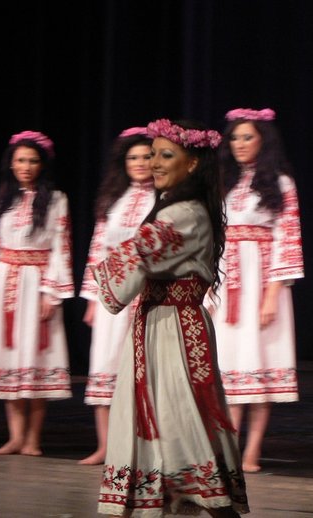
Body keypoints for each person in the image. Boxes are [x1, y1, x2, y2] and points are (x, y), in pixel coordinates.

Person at [91, 119, 248, 517]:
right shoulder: (175, 208)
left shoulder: (186, 213)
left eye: (165, 155)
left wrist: (107, 273)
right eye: (151, 155)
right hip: (156, 322)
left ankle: (205, 498)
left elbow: (137, 252)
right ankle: (169, 497)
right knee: (166, 417)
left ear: (192, 163)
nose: (154, 163)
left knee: (181, 417)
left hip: (176, 330)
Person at [209, 108, 304, 473]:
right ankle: (227, 447)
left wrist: (272, 295)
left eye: (247, 137)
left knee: (259, 364)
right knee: (230, 366)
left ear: (263, 141)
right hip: (226, 281)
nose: (239, 144)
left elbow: (288, 240)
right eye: (234, 137)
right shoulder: (224, 184)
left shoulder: (281, 184)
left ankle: (252, 451)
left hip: (261, 282)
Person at [0, 130, 73, 456]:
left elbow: (61, 247)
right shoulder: (4, 198)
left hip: (37, 282)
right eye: (20, 160)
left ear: (41, 165)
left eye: (32, 161)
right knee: (9, 359)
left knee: (35, 357)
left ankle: (33, 438)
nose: (26, 166)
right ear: (12, 164)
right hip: (5, 282)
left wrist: (50, 292)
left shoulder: (56, 200)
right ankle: (15, 436)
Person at [78, 127, 155, 465]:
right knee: (105, 363)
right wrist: (91, 298)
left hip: (148, 289)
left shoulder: (165, 198)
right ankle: (105, 446)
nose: (139, 163)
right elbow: (98, 252)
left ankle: (142, 448)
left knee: (145, 368)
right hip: (111, 292)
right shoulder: (114, 200)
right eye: (132, 158)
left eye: (146, 157)